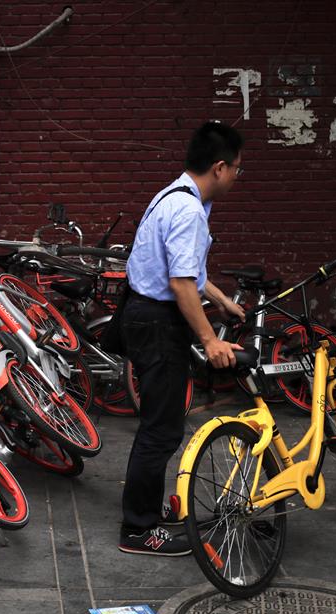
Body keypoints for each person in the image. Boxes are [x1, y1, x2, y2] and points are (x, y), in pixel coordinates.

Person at [118, 121, 247, 556]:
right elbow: (179, 283)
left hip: (145, 315)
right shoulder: (189, 210)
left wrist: (222, 299)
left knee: (161, 423)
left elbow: (188, 273)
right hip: (157, 322)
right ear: (219, 167)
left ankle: (147, 511)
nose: (236, 178)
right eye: (236, 170)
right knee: (161, 429)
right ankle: (138, 529)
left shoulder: (172, 195)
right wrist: (210, 339)